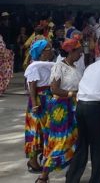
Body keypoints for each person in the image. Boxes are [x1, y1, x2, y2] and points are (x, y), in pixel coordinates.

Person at [65, 48, 100, 183]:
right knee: (98, 146)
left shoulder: (91, 66)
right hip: (95, 109)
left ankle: (72, 179)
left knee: (81, 145)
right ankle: (95, 180)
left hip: (81, 106)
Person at [37, 38, 83, 183]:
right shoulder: (59, 66)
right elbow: (54, 89)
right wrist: (72, 94)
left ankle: (70, 174)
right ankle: (43, 176)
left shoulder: (76, 68)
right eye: (79, 52)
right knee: (59, 140)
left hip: (73, 106)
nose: (81, 55)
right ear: (71, 51)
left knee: (73, 139)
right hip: (61, 108)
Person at [24, 40, 55, 173]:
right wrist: (34, 103)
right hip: (39, 100)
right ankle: (33, 161)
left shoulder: (50, 64)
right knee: (36, 129)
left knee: (46, 129)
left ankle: (44, 156)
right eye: (49, 49)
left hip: (48, 99)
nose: (52, 50)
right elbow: (32, 86)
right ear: (41, 53)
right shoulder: (34, 66)